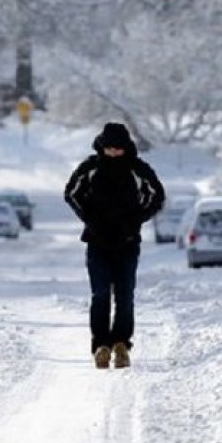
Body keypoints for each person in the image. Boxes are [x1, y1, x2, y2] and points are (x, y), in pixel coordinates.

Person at [64, 122, 165, 369]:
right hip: (97, 242)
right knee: (100, 295)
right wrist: (89, 218)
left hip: (127, 243)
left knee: (125, 296)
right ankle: (101, 345)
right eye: (109, 148)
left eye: (118, 149)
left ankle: (121, 344)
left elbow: (157, 195)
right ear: (102, 146)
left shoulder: (137, 169)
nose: (113, 153)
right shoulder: (90, 168)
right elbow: (71, 194)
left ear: (125, 148)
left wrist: (136, 220)